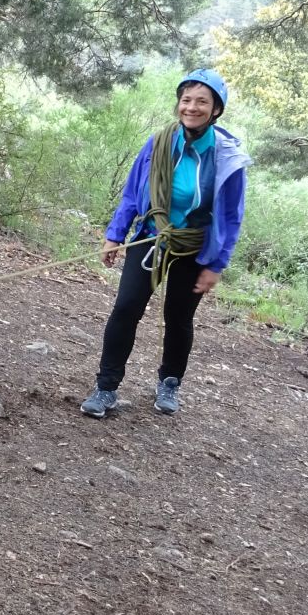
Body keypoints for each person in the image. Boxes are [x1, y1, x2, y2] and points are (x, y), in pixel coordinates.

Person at [81, 68, 250, 418]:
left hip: (194, 245)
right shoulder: (159, 143)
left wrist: (216, 264)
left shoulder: (227, 157)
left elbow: (232, 216)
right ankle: (106, 387)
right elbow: (133, 190)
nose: (192, 107)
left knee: (178, 317)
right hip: (150, 235)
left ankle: (170, 382)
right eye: (186, 100)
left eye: (202, 101)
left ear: (216, 109)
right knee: (126, 307)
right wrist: (115, 234)